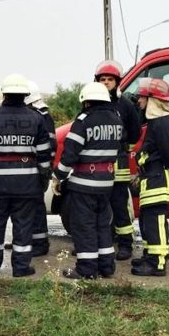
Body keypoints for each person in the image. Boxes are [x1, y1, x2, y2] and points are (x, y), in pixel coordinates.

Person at [0, 73, 51, 277]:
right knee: (24, 226)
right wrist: (42, 182)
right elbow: (44, 157)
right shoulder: (36, 118)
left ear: (4, 93)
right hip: (27, 184)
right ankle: (21, 267)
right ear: (25, 94)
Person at [54, 82, 122, 279]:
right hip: (106, 183)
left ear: (86, 101)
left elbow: (70, 154)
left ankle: (86, 270)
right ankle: (107, 267)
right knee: (102, 225)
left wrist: (57, 176)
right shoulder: (116, 120)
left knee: (84, 227)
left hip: (84, 183)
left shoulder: (84, 120)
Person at [130, 78, 169, 276]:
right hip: (151, 178)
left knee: (155, 221)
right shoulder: (157, 122)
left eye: (142, 97)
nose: (139, 101)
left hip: (157, 179)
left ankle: (158, 263)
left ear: (153, 100)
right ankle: (150, 256)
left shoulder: (162, 123)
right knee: (147, 220)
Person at [93, 60, 142, 260]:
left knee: (120, 207)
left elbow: (135, 133)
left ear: (117, 82)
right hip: (96, 166)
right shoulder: (91, 103)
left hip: (117, 166)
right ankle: (95, 243)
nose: (106, 83)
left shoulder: (125, 105)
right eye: (102, 79)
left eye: (110, 79)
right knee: (96, 207)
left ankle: (125, 245)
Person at [25, 80, 56, 257]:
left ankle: (40, 244)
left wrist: (44, 169)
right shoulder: (42, 115)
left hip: (37, 168)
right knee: (27, 207)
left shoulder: (41, 117)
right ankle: (27, 241)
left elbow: (49, 146)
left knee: (36, 207)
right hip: (35, 168)